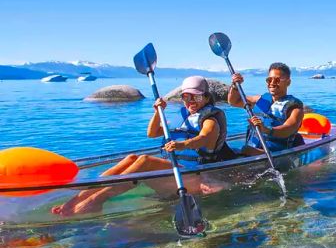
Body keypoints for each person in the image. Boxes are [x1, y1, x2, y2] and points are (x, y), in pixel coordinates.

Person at [52, 76, 235, 216]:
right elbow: (153, 133)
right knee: (133, 158)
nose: (190, 102)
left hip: (197, 174)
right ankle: (78, 198)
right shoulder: (185, 117)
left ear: (206, 97)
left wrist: (181, 145)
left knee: (146, 161)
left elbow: (204, 138)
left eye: (196, 97)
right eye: (186, 97)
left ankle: (96, 200)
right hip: (179, 170)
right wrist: (158, 112)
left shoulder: (211, 119)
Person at [228, 62, 305, 156]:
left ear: (288, 82)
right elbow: (234, 101)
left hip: (276, 153)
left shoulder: (295, 108)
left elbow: (289, 128)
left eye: (277, 80)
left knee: (245, 150)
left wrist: (266, 129)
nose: (272, 83)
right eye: (269, 80)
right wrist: (235, 87)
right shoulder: (260, 99)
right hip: (253, 149)